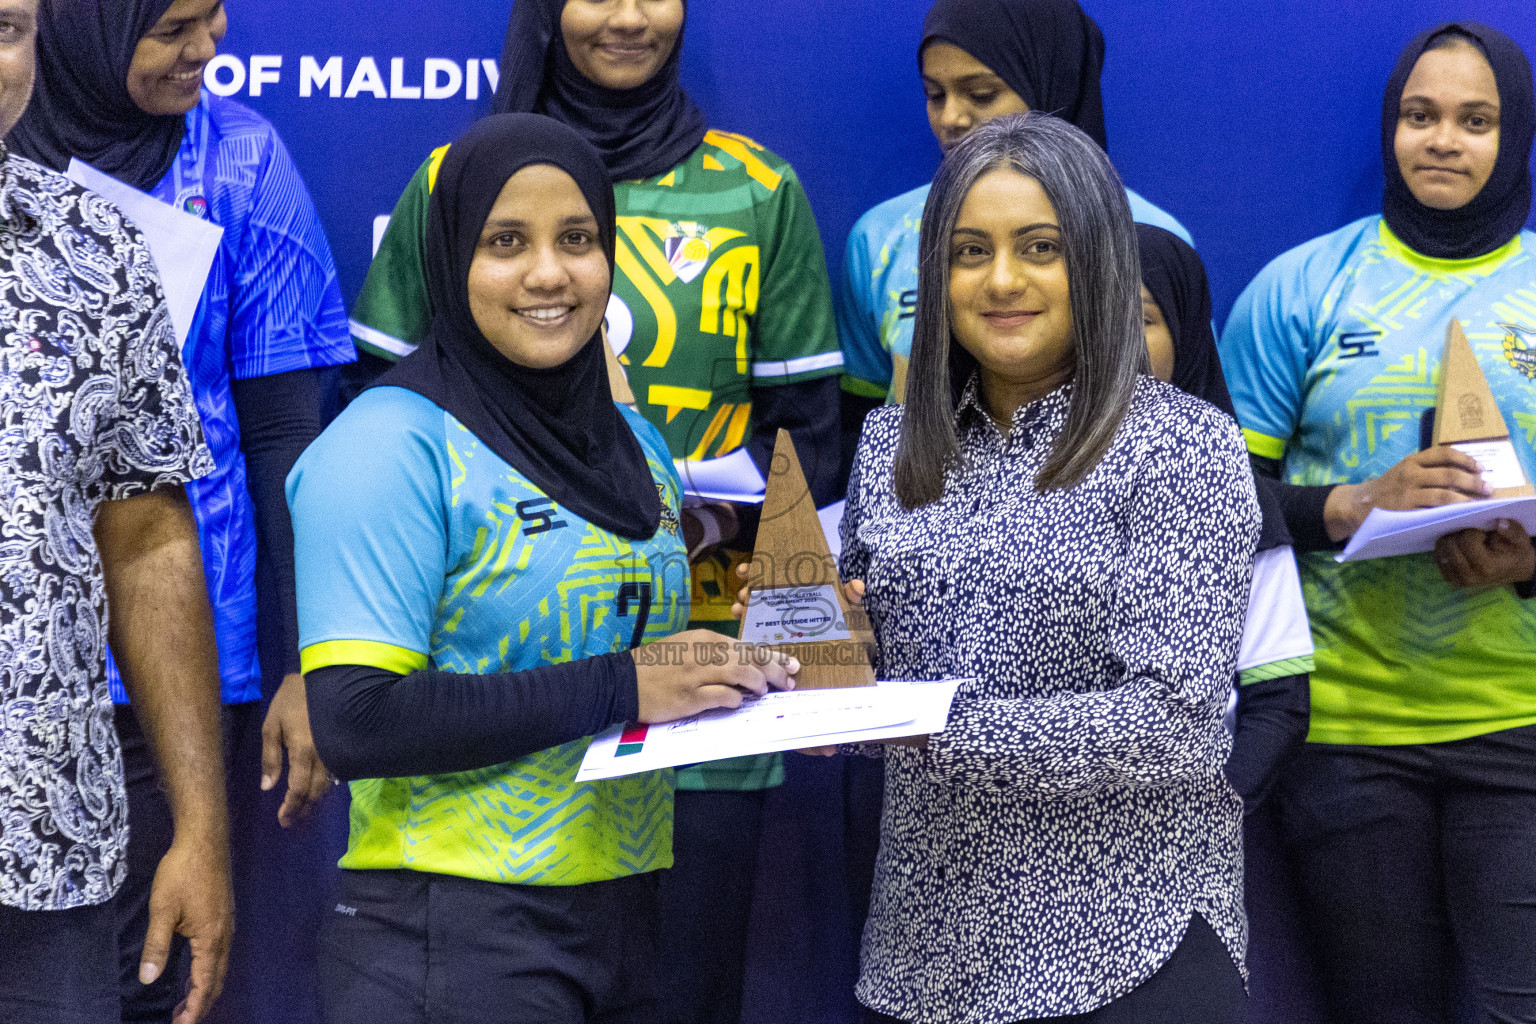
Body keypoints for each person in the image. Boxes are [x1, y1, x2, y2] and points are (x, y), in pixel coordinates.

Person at [348, 3, 843, 1020]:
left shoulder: (756, 189)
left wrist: (817, 649)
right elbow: (375, 412)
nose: (627, 16)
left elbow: (808, 448)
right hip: (484, 720)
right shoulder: (450, 180)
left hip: (706, 708)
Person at [829, 111, 1257, 1023]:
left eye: (1040, 248)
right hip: (924, 957)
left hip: (1125, 947)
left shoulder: (1180, 447)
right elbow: (860, 663)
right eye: (970, 251)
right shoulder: (885, 447)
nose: (1003, 281)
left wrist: (921, 730)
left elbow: (1173, 726)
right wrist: (809, 648)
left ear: (1097, 261)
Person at [6, 0, 355, 1016]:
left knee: (138, 978)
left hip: (168, 671)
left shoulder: (239, 165)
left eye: (213, 18)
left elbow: (287, 434)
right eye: (170, 27)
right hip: (20, 683)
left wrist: (303, 658)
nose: (205, 48)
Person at [1219, 22, 1536, 1024]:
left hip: (1522, 722)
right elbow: (1218, 508)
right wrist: (1352, 504)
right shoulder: (1298, 288)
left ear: (1514, 136)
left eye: (1474, 121)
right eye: (1420, 115)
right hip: (1345, 731)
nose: (1443, 140)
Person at [0, 2, 234, 1021]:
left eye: (8, 29)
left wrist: (201, 826)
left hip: (47, 847)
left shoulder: (96, 250)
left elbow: (145, 541)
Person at [837, 0, 1191, 425]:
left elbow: (1191, 386)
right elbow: (858, 415)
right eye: (935, 94)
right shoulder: (881, 236)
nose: (951, 117)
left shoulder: (1150, 238)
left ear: (1052, 85)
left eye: (982, 94)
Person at [1137, 223, 1313, 811]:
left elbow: (1277, 701)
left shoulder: (1233, 488)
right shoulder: (1006, 482)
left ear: (1186, 335)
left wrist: (1203, 823)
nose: (1115, 345)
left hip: (1190, 835)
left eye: (1140, 320)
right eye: (1090, 318)